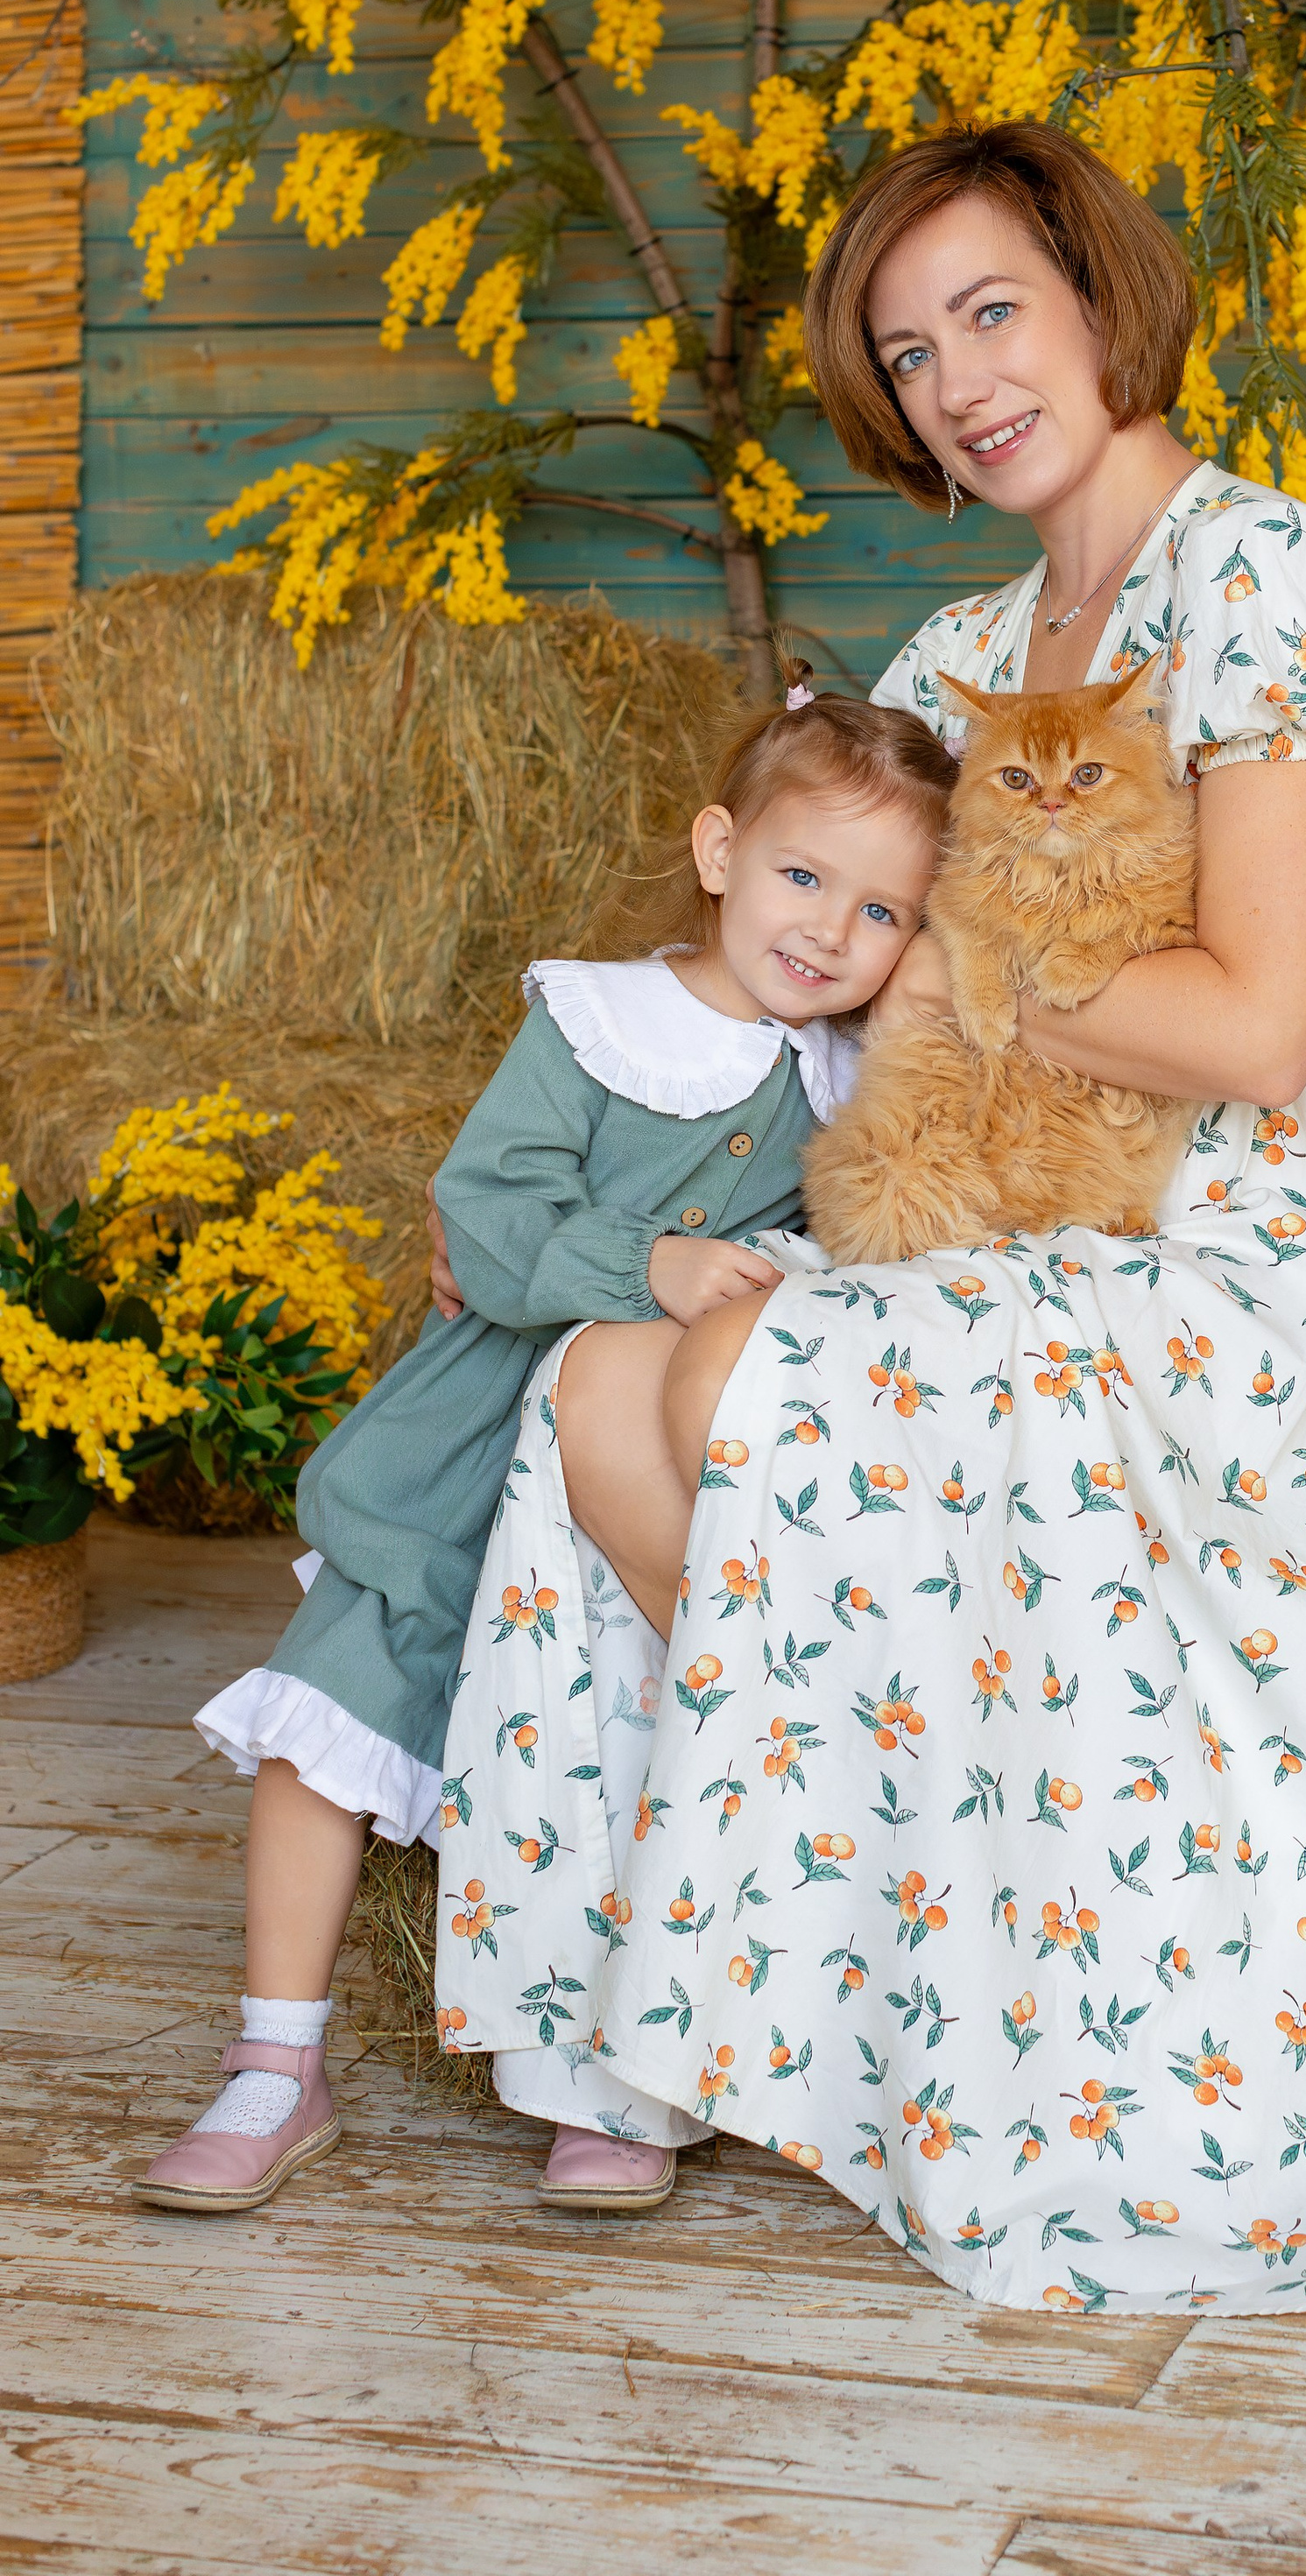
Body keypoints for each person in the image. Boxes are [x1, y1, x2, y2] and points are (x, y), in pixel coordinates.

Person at [430, 122, 1306, 2308]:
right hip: (1007, 1195)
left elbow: (1259, 1031)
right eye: (908, 347)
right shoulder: (967, 633)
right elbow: (850, 987)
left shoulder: (1276, 582)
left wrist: (974, 949)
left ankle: (965, 1906)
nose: (961, 377)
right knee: (595, 1376)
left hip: (1257, 1256)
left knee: (753, 1367)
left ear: (1094, 298)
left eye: (991, 311)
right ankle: (730, 2001)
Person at [135, 689, 957, 2213]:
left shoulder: (857, 1078)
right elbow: (489, 1210)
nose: (832, 929)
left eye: (885, 909)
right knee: (334, 1707)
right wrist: (643, 1267)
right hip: (467, 1463)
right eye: (801, 877)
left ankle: (616, 2082)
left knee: (635, 1730)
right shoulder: (593, 1023)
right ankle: (274, 2063)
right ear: (719, 852)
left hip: (628, 1486)